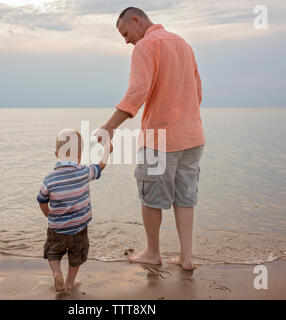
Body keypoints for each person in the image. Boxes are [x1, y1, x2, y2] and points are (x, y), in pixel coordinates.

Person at [95, 7, 205, 271]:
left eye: (125, 33)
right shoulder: (183, 44)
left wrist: (110, 127)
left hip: (160, 139)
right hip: (193, 137)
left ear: (137, 20)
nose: (126, 40)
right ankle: (186, 258)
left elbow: (137, 90)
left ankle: (153, 253)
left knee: (150, 197)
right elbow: (198, 90)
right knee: (184, 197)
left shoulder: (146, 45)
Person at [37, 129, 112, 291]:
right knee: (76, 256)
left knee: (53, 253)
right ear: (79, 156)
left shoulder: (50, 177)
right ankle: (70, 282)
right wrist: (107, 149)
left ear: (57, 154)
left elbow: (42, 200)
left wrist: (48, 214)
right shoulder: (84, 172)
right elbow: (101, 166)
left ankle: (57, 274)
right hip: (79, 228)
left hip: (57, 229)